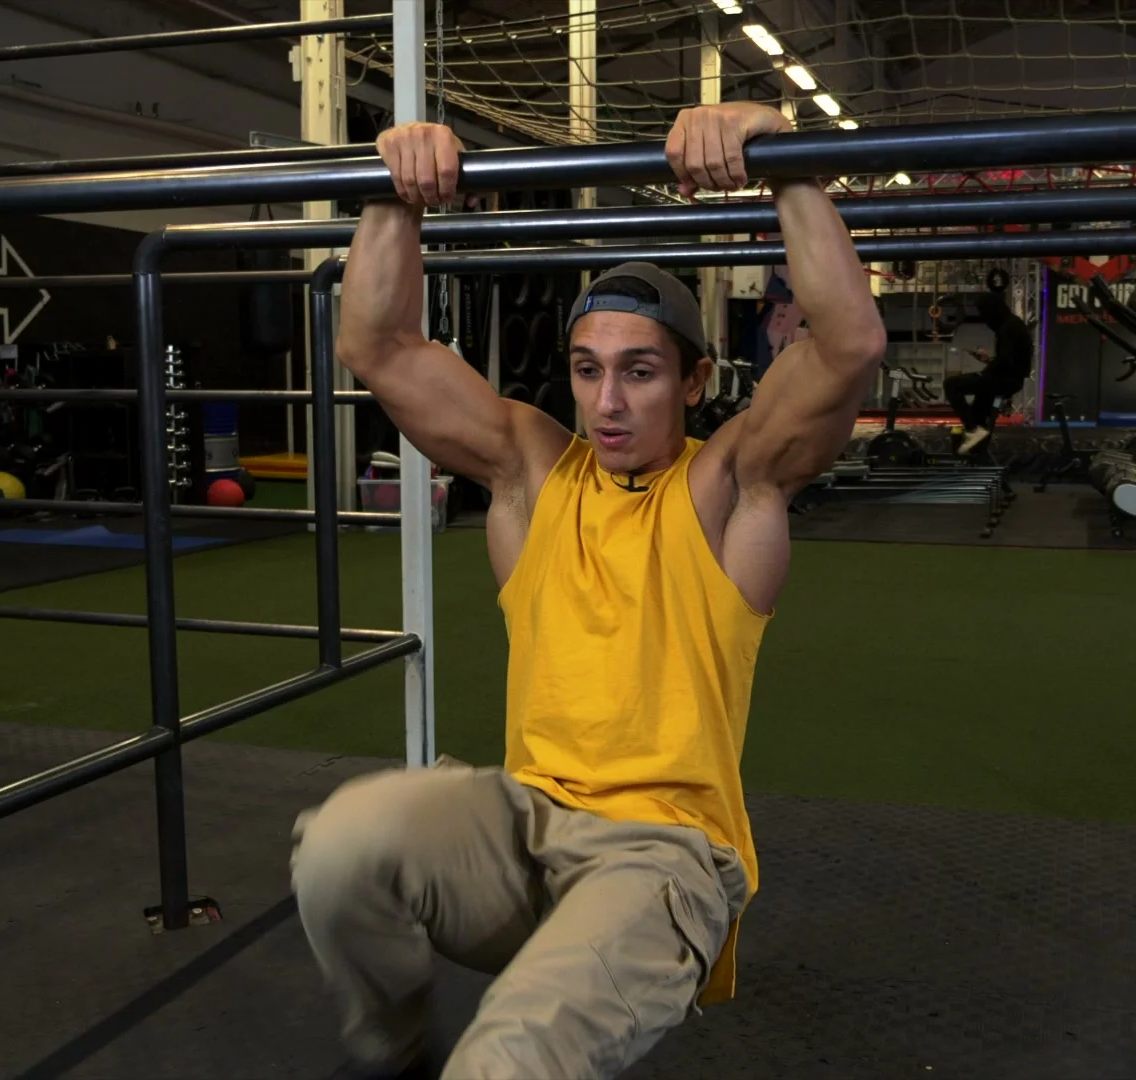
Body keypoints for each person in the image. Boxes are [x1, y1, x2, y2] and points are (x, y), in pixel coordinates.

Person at [288, 101, 885, 1080]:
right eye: (589, 370)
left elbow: (846, 344)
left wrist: (784, 157)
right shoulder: (532, 472)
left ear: (694, 384)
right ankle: (394, 1052)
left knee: (505, 1065)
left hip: (663, 857)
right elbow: (380, 348)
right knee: (339, 850)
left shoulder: (731, 488)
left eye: (640, 374)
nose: (607, 402)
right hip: (522, 830)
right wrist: (394, 190)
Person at [943, 283, 1033, 454]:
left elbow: (1006, 361)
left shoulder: (1010, 327)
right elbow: (1009, 359)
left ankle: (972, 430)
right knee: (978, 413)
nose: (984, 319)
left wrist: (984, 374)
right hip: (1006, 378)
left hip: (1005, 381)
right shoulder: (1011, 324)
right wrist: (989, 361)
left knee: (951, 385)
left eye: (985, 314)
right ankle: (977, 446)